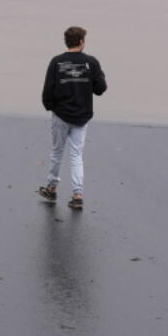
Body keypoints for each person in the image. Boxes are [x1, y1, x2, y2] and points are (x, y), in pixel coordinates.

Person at [38, 26, 108, 211]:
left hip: (60, 114)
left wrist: (50, 107)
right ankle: (77, 194)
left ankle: (51, 188)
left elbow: (47, 90)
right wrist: (99, 74)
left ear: (67, 42)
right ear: (81, 42)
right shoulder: (91, 62)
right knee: (76, 155)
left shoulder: (56, 62)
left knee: (57, 152)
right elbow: (100, 89)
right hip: (82, 116)